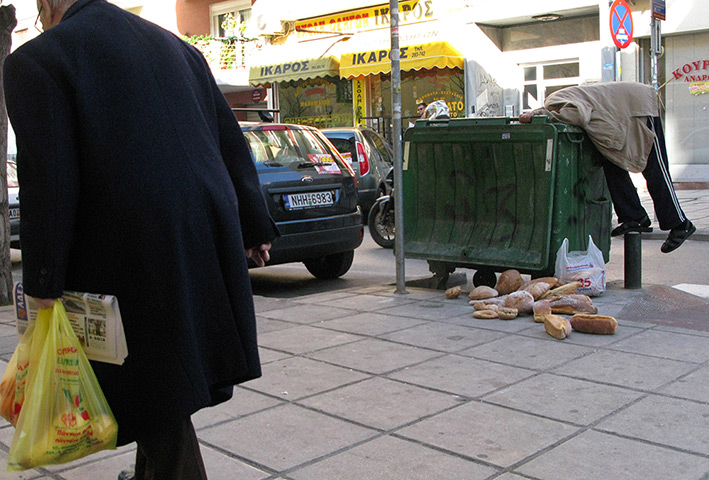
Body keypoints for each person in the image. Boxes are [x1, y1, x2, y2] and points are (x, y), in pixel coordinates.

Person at [4, 0, 279, 479]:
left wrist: (42, 278)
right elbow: (228, 138)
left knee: (151, 390)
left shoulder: (38, 60)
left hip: (125, 251)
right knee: (162, 378)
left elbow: (47, 177)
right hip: (202, 233)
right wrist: (254, 228)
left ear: (48, 4)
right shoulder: (176, 47)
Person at [519, 82, 695, 253]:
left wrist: (545, 115)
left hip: (639, 106)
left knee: (655, 169)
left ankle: (680, 224)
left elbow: (579, 114)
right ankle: (634, 217)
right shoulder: (564, 98)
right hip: (622, 113)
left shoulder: (553, 101)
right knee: (612, 164)